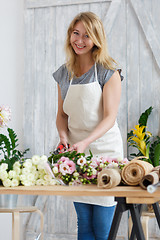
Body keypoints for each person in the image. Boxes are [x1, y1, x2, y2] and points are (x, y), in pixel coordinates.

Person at [53, 11, 123, 240]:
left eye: (86, 35)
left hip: (105, 152)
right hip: (77, 155)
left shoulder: (108, 71)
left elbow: (109, 117)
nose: (79, 41)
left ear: (96, 39)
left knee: (103, 229)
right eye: (76, 33)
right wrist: (63, 136)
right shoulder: (64, 73)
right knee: (83, 224)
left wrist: (85, 142)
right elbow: (62, 115)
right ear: (69, 35)